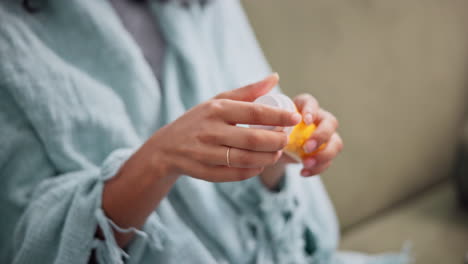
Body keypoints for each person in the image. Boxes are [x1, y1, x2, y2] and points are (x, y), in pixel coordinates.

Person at [0, 0, 410, 263]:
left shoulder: (208, 7)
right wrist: (158, 160)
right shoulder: (12, 44)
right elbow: (31, 246)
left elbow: (286, 227)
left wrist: (276, 151)